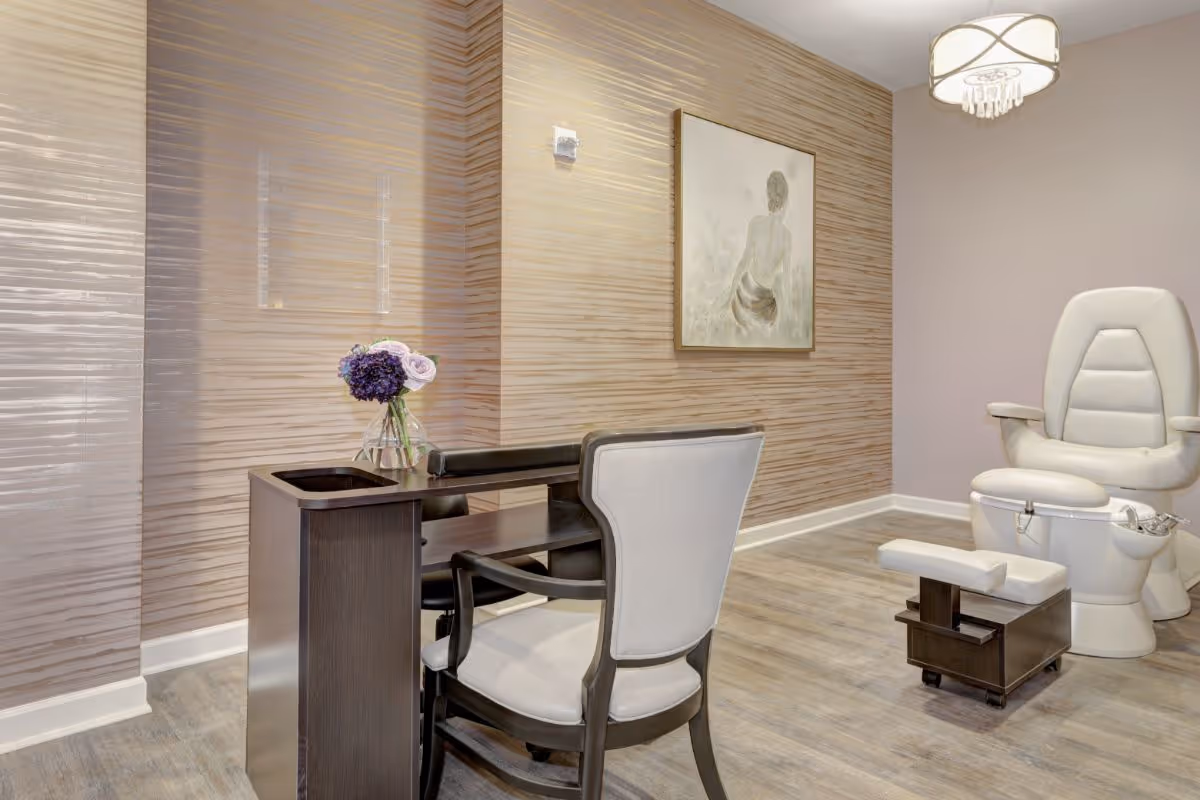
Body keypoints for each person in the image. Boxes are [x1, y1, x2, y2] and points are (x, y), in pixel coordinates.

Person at [729, 170, 791, 332]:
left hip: (744, 295)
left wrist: (729, 296)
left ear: (767, 194)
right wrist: (789, 314)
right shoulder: (787, 236)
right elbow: (786, 281)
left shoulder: (755, 223)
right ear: (785, 200)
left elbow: (744, 262)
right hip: (764, 307)